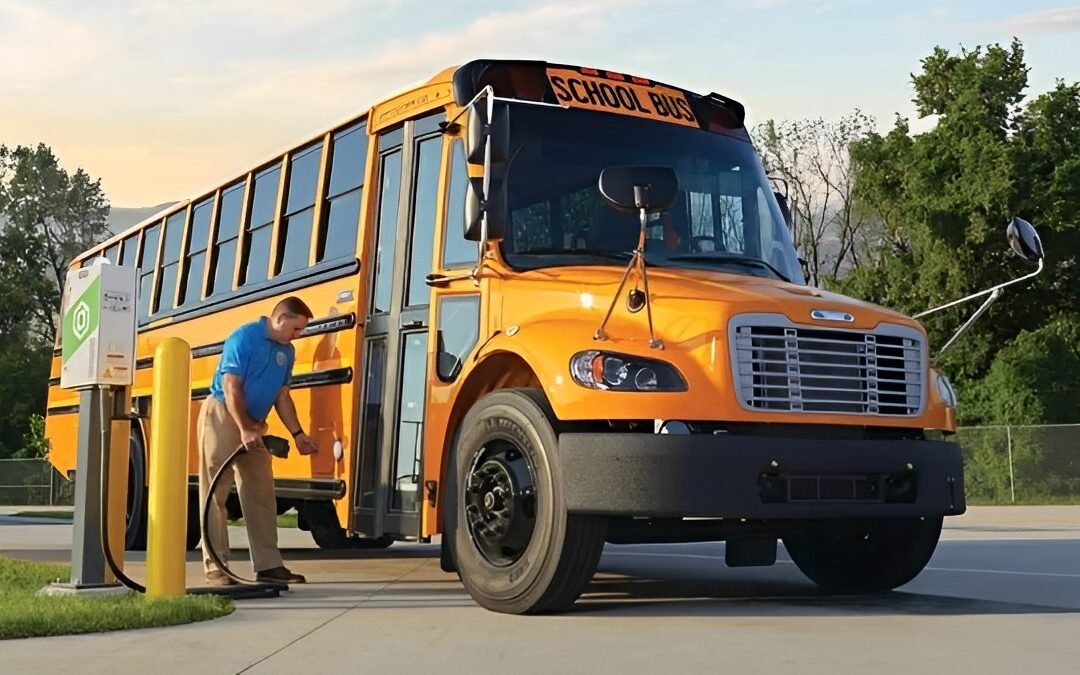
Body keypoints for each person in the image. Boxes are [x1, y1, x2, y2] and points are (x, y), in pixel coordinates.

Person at [199, 296, 318, 586]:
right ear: (280, 319)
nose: (298, 336)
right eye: (296, 329)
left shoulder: (286, 352)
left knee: (261, 491)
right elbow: (232, 387)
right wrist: (244, 429)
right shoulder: (245, 337)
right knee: (215, 492)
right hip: (223, 414)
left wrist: (298, 434)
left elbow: (282, 396)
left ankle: (268, 565)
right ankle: (216, 567)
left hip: (254, 422)